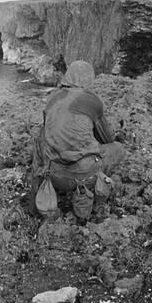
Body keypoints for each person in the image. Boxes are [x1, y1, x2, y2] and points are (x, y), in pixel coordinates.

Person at [30, 60, 125, 221]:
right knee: (118, 149)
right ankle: (97, 192)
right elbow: (107, 137)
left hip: (54, 175)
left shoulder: (53, 98)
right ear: (89, 79)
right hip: (82, 175)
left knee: (40, 135)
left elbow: (47, 133)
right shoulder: (91, 100)